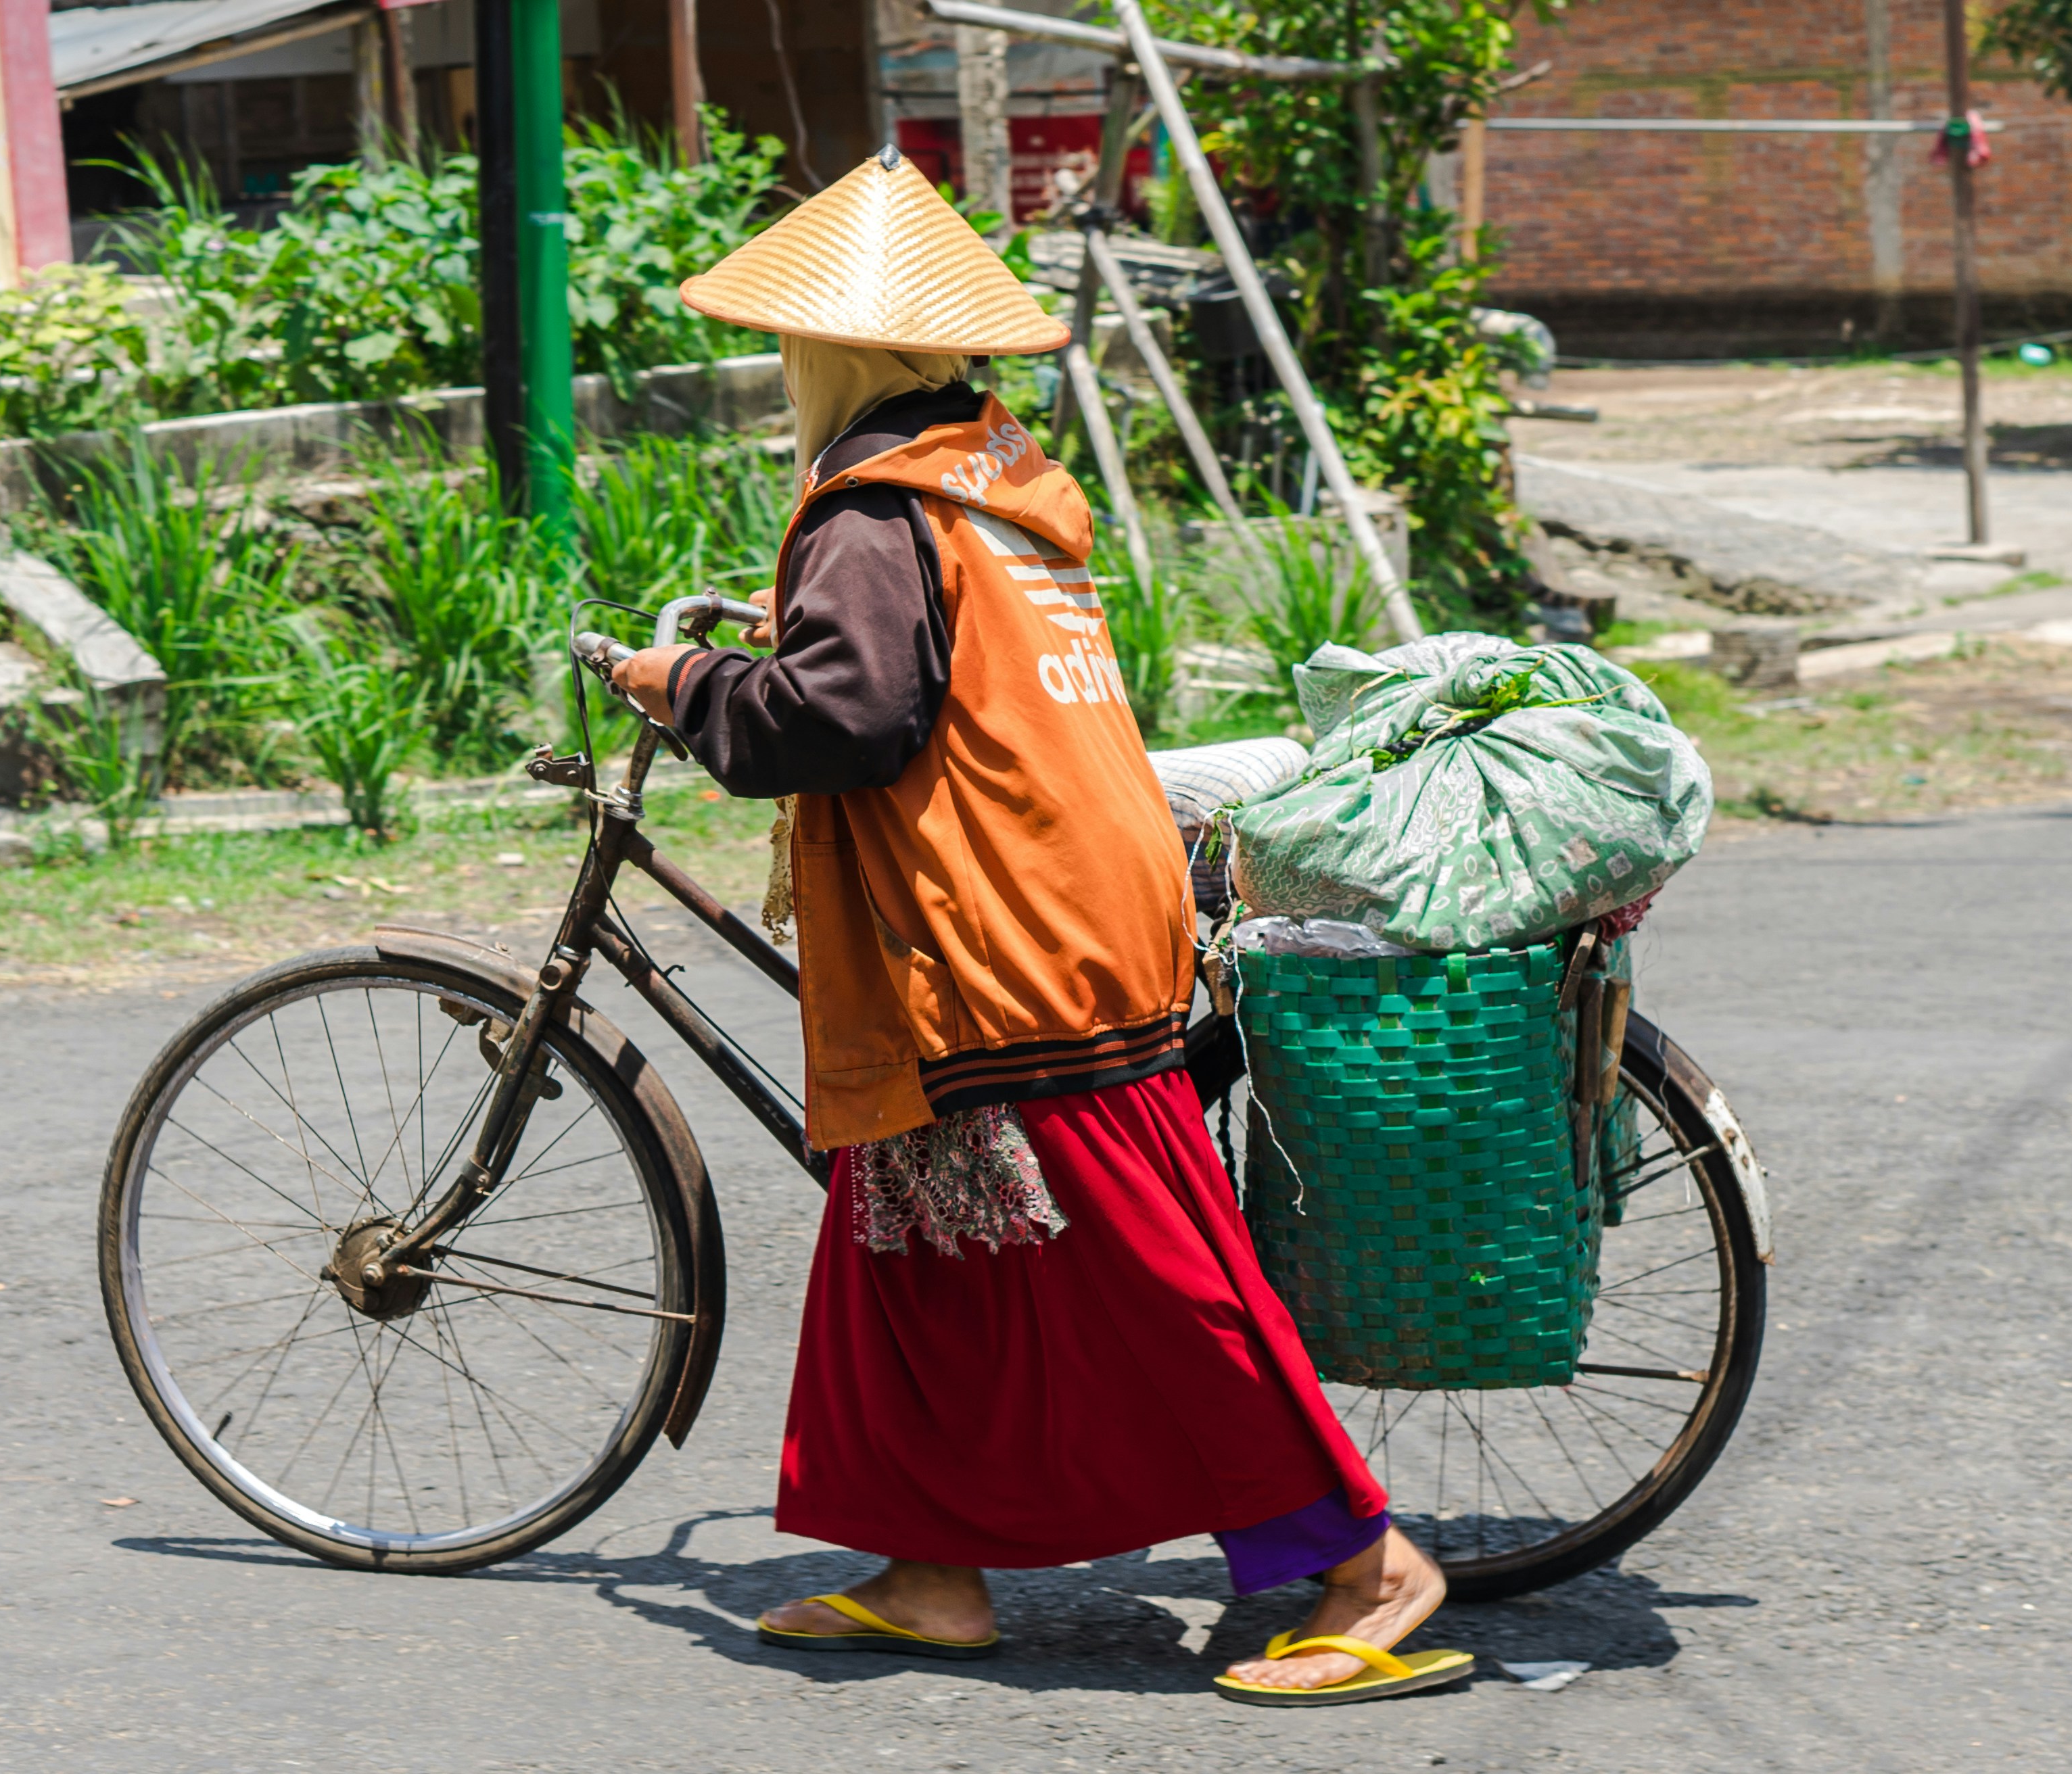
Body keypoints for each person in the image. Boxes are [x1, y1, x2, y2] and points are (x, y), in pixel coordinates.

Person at [610, 146, 1467, 1707]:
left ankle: (1364, 1558)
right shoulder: (995, 473)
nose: (782, 366)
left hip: (1005, 944)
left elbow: (850, 717)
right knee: (912, 1244)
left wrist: (684, 689)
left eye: (792, 344)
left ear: (837, 347)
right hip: (1070, 892)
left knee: (1152, 1279)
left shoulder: (872, 506)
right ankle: (931, 1571)